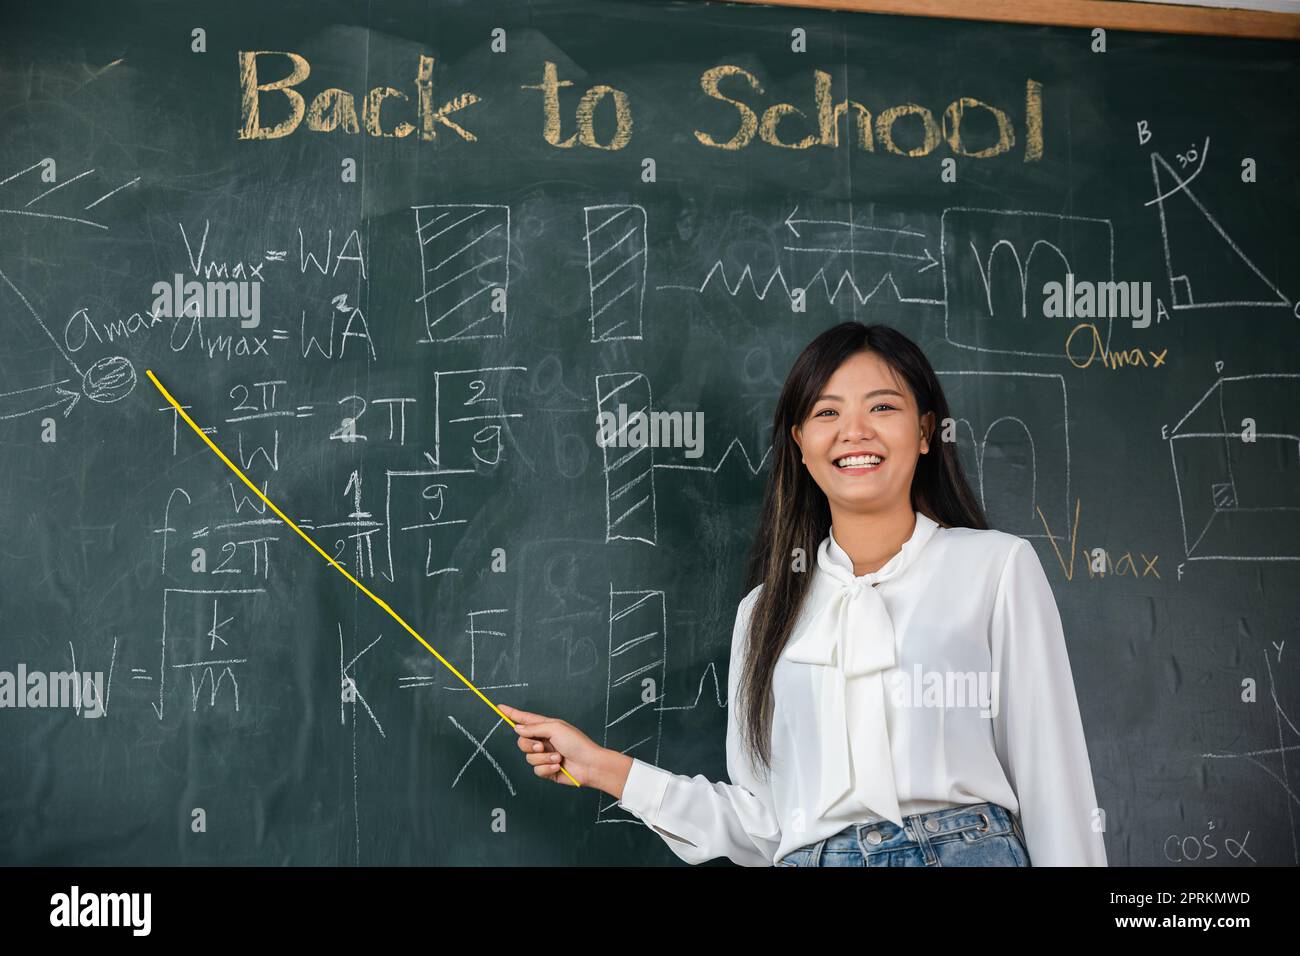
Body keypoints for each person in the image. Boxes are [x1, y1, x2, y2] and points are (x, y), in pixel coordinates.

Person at [500, 321, 1107, 867]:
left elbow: (1053, 780)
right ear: (799, 442)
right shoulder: (764, 614)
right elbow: (763, 823)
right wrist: (604, 768)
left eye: (883, 407)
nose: (855, 432)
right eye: (826, 413)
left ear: (926, 431)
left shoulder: (995, 567)